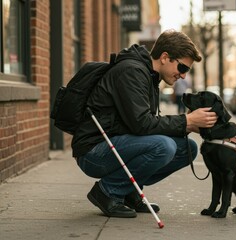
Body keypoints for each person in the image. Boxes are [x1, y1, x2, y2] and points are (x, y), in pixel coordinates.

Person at [71, 29, 218, 218]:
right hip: (93, 152)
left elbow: (143, 126)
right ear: (165, 57)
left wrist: (187, 126)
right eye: (183, 68)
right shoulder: (132, 72)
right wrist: (186, 120)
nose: (183, 76)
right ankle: (108, 191)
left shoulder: (149, 75)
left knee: (187, 148)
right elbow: (141, 125)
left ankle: (129, 191)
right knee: (164, 146)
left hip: (115, 144)